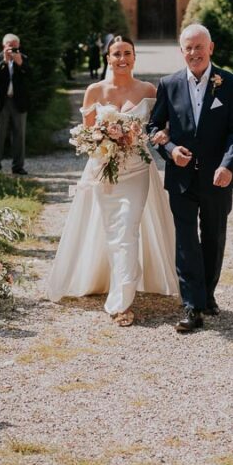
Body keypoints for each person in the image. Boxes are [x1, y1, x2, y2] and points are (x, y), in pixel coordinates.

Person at [48, 36, 176, 325]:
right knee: (111, 231)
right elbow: (86, 135)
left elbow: (157, 128)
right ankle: (108, 280)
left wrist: (150, 136)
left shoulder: (148, 89)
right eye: (116, 54)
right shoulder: (94, 91)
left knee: (127, 230)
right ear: (107, 58)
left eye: (127, 53)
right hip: (103, 168)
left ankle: (122, 303)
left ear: (134, 57)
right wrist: (104, 139)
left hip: (136, 169)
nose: (122, 59)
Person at [148, 23, 233, 333]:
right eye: (188, 48)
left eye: (199, 47)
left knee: (214, 235)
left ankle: (207, 294)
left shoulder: (230, 83)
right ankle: (191, 305)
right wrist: (169, 149)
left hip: (218, 177)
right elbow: (153, 128)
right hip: (181, 177)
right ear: (182, 51)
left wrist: (228, 165)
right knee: (186, 240)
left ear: (211, 48)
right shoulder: (168, 84)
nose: (194, 53)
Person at [0, 33, 30, 175]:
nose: (12, 49)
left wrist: (19, 63)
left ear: (18, 46)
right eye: (9, 46)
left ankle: (18, 166)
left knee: (19, 134)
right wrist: (5, 62)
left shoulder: (23, 58)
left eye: (15, 46)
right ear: (4, 46)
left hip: (18, 102)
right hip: (2, 101)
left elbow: (29, 75)